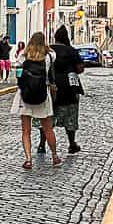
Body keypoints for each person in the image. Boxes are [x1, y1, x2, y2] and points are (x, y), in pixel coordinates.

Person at [11, 32, 60, 169]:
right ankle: (55, 155)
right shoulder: (50, 56)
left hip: (25, 94)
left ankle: (28, 159)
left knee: (26, 131)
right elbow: (52, 60)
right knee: (48, 128)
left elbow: (18, 72)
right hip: (42, 94)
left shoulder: (23, 55)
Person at [39, 25, 85, 155]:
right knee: (70, 117)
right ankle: (71, 144)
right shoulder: (71, 51)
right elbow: (80, 68)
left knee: (47, 117)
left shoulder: (48, 50)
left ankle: (42, 144)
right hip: (69, 89)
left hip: (50, 87)